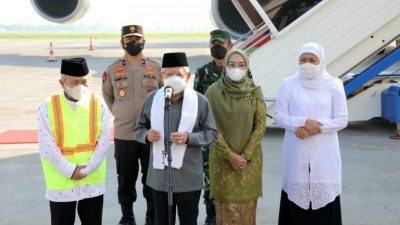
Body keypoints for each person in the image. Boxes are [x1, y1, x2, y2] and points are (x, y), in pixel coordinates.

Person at [135, 52, 218, 225]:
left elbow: (212, 134)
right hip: (159, 179)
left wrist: (190, 138)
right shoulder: (153, 99)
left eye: (179, 74)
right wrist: (147, 136)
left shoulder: (200, 101)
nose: (174, 78)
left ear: (187, 76)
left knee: (188, 221)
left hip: (188, 179)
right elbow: (139, 129)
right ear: (161, 76)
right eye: (169, 74)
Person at [274, 42, 348, 225]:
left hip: (324, 156)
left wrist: (314, 129)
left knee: (324, 210)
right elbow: (279, 116)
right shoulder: (288, 84)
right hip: (296, 154)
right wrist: (303, 122)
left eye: (312, 60)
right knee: (295, 206)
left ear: (321, 61)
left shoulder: (334, 85)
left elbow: (342, 119)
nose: (307, 64)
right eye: (303, 60)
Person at [38, 57, 110, 225]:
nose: (80, 86)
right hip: (61, 182)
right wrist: (69, 170)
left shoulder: (98, 103)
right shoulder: (48, 105)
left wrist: (88, 168)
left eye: (84, 82)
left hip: (91, 180)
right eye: (75, 82)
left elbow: (104, 140)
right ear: (62, 83)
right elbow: (46, 144)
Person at [102, 25, 162, 225]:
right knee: (125, 180)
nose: (133, 43)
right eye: (128, 40)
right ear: (122, 43)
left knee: (151, 179)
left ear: (144, 41)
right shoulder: (112, 69)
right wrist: (121, 113)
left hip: (150, 135)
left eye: (137, 39)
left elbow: (163, 95)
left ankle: (151, 216)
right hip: (124, 135)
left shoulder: (156, 67)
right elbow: (109, 96)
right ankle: (127, 216)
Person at [194, 29, 252, 225]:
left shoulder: (241, 71)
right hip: (211, 135)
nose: (216, 47)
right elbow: (197, 104)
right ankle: (211, 215)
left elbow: (249, 102)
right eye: (213, 44)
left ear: (230, 46)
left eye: (220, 44)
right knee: (210, 178)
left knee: (234, 176)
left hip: (235, 135)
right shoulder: (202, 72)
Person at [205, 49, 266, 225]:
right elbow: (211, 127)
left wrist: (245, 156)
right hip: (222, 162)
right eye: (232, 65)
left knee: (247, 213)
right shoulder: (213, 92)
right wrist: (230, 155)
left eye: (241, 65)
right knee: (225, 212)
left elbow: (260, 127)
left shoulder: (254, 91)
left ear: (247, 67)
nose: (236, 69)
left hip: (250, 163)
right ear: (225, 66)